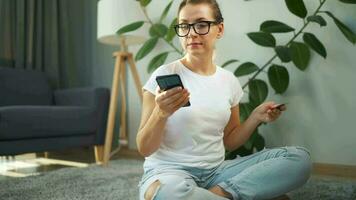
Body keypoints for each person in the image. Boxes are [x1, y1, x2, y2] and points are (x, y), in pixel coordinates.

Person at [136, 0, 312, 199]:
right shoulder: (163, 75)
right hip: (169, 174)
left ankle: (218, 194)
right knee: (166, 192)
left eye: (201, 24)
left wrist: (255, 117)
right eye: (184, 25)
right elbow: (145, 148)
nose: (191, 33)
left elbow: (230, 141)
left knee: (299, 158)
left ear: (219, 29)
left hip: (217, 174)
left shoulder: (229, 81)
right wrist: (161, 113)